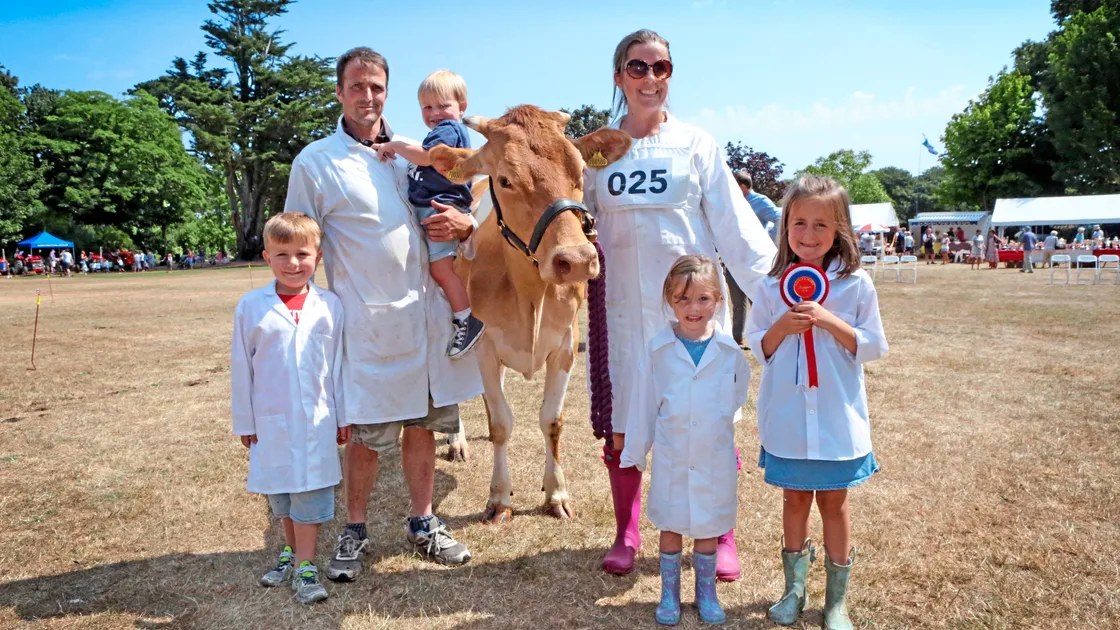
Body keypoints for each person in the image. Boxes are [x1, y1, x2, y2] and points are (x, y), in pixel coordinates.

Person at [285, 47, 483, 582]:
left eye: (376, 87)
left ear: (386, 91)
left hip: (432, 313)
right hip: (369, 322)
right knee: (370, 435)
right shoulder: (317, 161)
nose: (367, 96)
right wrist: (297, 311)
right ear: (339, 91)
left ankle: (423, 521)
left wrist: (465, 224)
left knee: (423, 423)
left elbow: (470, 206)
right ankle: (354, 528)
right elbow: (299, 238)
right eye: (356, 86)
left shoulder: (420, 149)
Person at [585, 29, 776, 581]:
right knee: (624, 427)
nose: (650, 79)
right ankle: (627, 531)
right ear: (619, 77)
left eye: (661, 67)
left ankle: (719, 536)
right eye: (638, 68)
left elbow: (737, 229)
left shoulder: (697, 144)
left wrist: (779, 287)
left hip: (692, 313)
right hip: (623, 316)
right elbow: (572, 214)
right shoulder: (597, 150)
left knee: (706, 424)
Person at [745, 175, 888, 630]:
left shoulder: (856, 285)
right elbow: (758, 346)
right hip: (787, 416)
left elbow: (873, 346)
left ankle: (836, 602)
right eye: (799, 223)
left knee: (833, 501)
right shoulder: (769, 287)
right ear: (785, 226)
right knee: (793, 500)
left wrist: (828, 320)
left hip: (835, 420)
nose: (808, 235)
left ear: (840, 230)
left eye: (821, 226)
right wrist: (782, 328)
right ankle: (793, 591)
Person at [621, 255, 749, 626]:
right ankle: (669, 594)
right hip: (673, 455)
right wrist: (636, 451)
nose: (693, 308)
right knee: (672, 523)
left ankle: (706, 594)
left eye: (703, 299)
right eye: (683, 299)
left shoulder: (729, 352)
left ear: (719, 300)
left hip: (714, 455)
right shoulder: (657, 351)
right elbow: (644, 403)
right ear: (669, 301)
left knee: (709, 525)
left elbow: (737, 395)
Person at [232, 213, 348, 604]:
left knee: (311, 493)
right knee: (282, 491)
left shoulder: (330, 306)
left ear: (318, 255)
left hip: (318, 418)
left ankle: (306, 567)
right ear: (266, 257)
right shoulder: (251, 306)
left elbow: (338, 367)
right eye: (282, 254)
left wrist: (343, 416)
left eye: (302, 253)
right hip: (271, 418)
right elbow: (241, 369)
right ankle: (291, 550)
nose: (293, 263)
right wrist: (245, 422)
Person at [371, 70, 485, 359]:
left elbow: (426, 157)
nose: (435, 113)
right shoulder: (439, 133)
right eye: (427, 107)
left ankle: (467, 318)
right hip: (434, 206)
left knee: (441, 269)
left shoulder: (448, 131)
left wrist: (393, 145)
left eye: (443, 105)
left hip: (440, 208)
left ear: (462, 107)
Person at [725, 170, 781, 346]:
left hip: (754, 262)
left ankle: (768, 336)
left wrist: (769, 241)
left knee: (758, 301)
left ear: (742, 187)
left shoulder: (760, 201)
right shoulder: (733, 203)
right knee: (737, 303)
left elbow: (779, 218)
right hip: (734, 259)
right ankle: (737, 338)